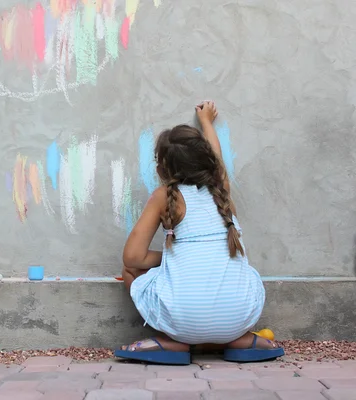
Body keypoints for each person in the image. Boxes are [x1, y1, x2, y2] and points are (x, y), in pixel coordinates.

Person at [115, 101, 284, 364]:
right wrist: (206, 121)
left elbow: (132, 259)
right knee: (245, 272)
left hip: (183, 323)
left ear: (161, 170)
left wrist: (171, 257)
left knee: (131, 273)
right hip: (238, 317)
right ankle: (237, 340)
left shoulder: (163, 197)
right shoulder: (221, 189)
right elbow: (218, 161)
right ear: (208, 163)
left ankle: (175, 342)